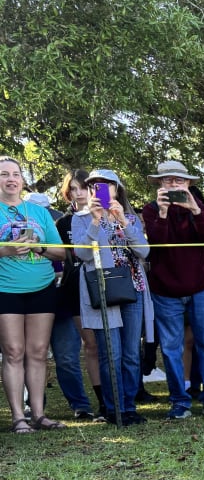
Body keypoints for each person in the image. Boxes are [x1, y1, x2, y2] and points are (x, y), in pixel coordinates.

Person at [141, 159, 204, 418]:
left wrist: (197, 212)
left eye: (179, 180)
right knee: (170, 348)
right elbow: (156, 244)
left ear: (188, 183)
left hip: (202, 287)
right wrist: (164, 214)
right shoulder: (151, 209)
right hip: (166, 290)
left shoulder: (200, 208)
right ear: (160, 184)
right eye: (168, 180)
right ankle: (180, 401)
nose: (174, 184)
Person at [72, 169, 153, 424]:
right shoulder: (81, 218)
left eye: (107, 186)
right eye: (95, 186)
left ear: (117, 189)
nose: (101, 190)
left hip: (133, 289)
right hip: (103, 291)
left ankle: (129, 407)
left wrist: (124, 222)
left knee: (130, 353)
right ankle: (113, 408)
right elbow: (82, 255)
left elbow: (144, 251)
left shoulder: (129, 217)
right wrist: (96, 222)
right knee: (111, 354)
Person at [0, 156, 69, 432]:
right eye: (4, 174)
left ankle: (39, 414)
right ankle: (18, 417)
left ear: (22, 180)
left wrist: (38, 248)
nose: (11, 179)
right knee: (14, 351)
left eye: (15, 174)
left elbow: (61, 252)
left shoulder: (39, 212)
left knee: (38, 352)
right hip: (6, 289)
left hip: (42, 287)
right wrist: (6, 250)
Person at [53, 169, 103, 417]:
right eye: (73, 188)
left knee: (110, 345)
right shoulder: (62, 223)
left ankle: (119, 398)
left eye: (83, 187)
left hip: (108, 284)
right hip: (75, 287)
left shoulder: (107, 213)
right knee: (91, 345)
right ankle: (99, 402)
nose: (79, 192)